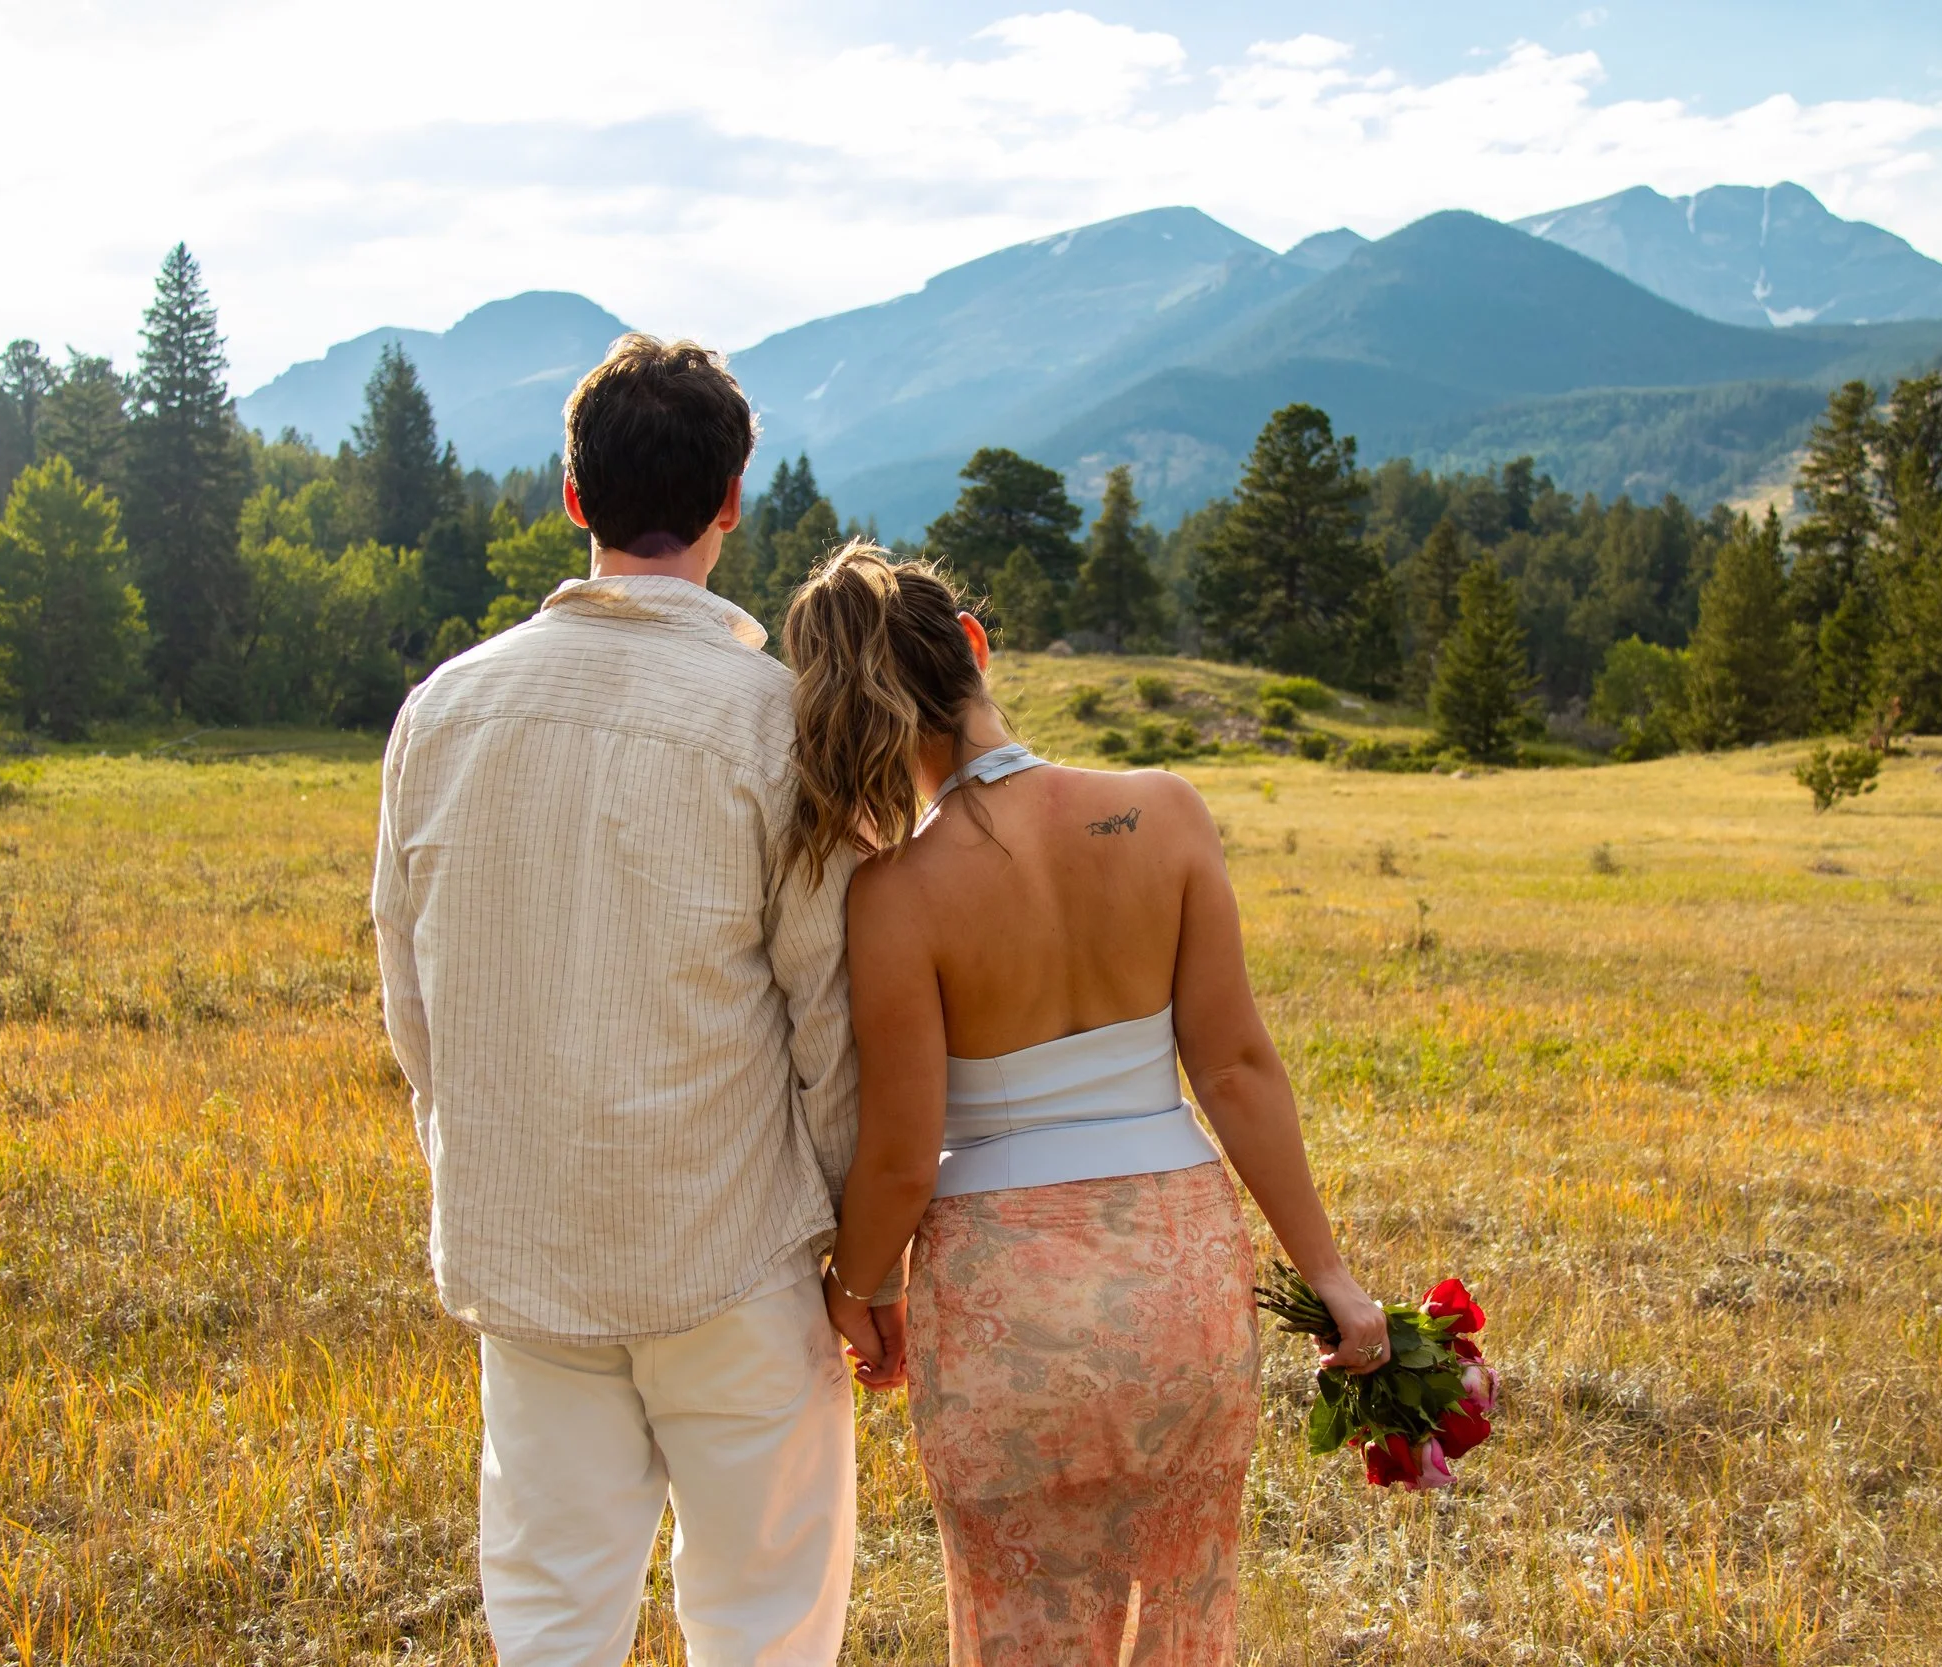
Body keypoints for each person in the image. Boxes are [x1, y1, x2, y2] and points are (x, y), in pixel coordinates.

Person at [371, 335, 890, 1666]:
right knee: (766, 1622)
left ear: (570, 493)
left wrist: (469, 1164)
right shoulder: (777, 722)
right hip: (733, 1249)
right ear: (731, 502)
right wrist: (860, 1245)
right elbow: (831, 1020)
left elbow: (413, 998)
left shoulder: (442, 715)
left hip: (528, 1244)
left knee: (550, 1617)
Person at [781, 545, 1393, 1666]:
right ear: (971, 642)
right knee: (1182, 1605)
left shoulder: (893, 895)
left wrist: (853, 1286)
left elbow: (904, 1154)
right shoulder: (1161, 812)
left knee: (1019, 1622)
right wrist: (1331, 1274)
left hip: (1005, 1292)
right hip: (1180, 1279)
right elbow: (1237, 1070)